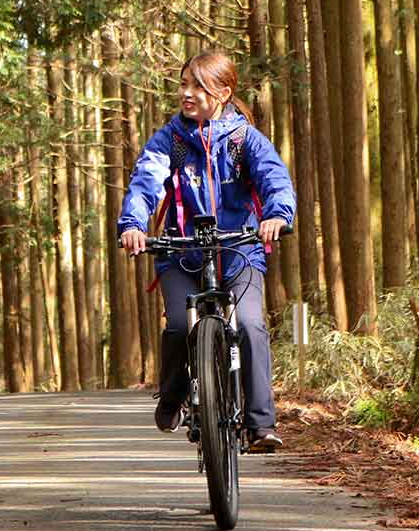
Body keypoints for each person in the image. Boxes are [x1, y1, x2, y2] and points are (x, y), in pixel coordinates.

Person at [117, 49, 295, 454]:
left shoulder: (243, 139)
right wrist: (133, 225)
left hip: (239, 251)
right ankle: (173, 395)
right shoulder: (170, 140)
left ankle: (260, 424)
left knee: (250, 325)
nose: (187, 93)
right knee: (179, 325)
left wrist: (277, 216)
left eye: (198, 86)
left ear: (223, 92)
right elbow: (146, 181)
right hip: (181, 252)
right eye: (184, 84)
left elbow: (274, 178)